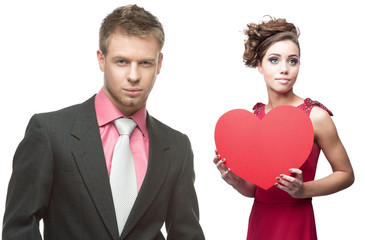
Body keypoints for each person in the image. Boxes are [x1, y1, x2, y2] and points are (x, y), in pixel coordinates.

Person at [3, 5, 205, 240]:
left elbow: (186, 234)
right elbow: (19, 228)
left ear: (159, 64)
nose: (133, 75)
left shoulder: (176, 146)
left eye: (145, 63)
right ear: (101, 59)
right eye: (121, 61)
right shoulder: (50, 132)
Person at [213, 17, 354, 240]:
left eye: (292, 61)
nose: (284, 69)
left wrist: (303, 190)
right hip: (260, 221)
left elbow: (346, 174)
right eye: (274, 60)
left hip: (297, 221)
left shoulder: (316, 116)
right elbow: (255, 190)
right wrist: (235, 181)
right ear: (259, 65)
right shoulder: (254, 120)